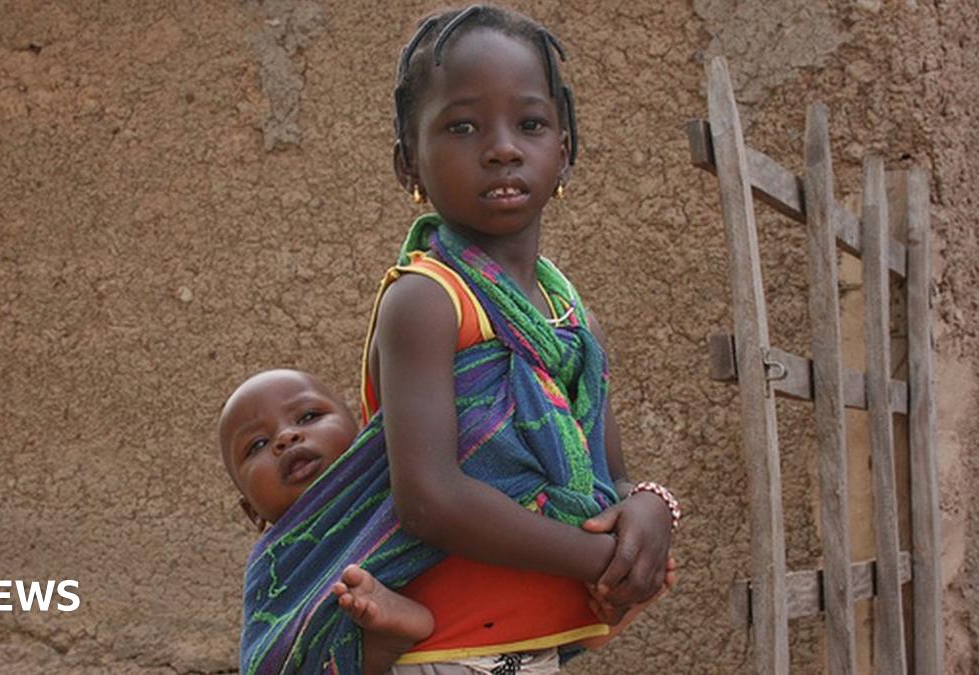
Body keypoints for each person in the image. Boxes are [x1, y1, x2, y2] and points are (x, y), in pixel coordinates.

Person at [233, 6, 679, 674]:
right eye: (463, 126)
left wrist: (651, 510)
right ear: (408, 162)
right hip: (442, 657)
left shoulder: (569, 319)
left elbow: (610, 477)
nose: (502, 148)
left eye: (530, 124)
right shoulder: (427, 301)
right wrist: (605, 558)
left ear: (565, 151)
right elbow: (430, 501)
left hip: (534, 655)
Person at [218, 369, 670, 675]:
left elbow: (522, 600)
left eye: (308, 416)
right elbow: (277, 660)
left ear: (365, 441)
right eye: (256, 445)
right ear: (252, 513)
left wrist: (610, 604)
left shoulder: (422, 497)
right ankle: (383, 640)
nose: (286, 437)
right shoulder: (276, 572)